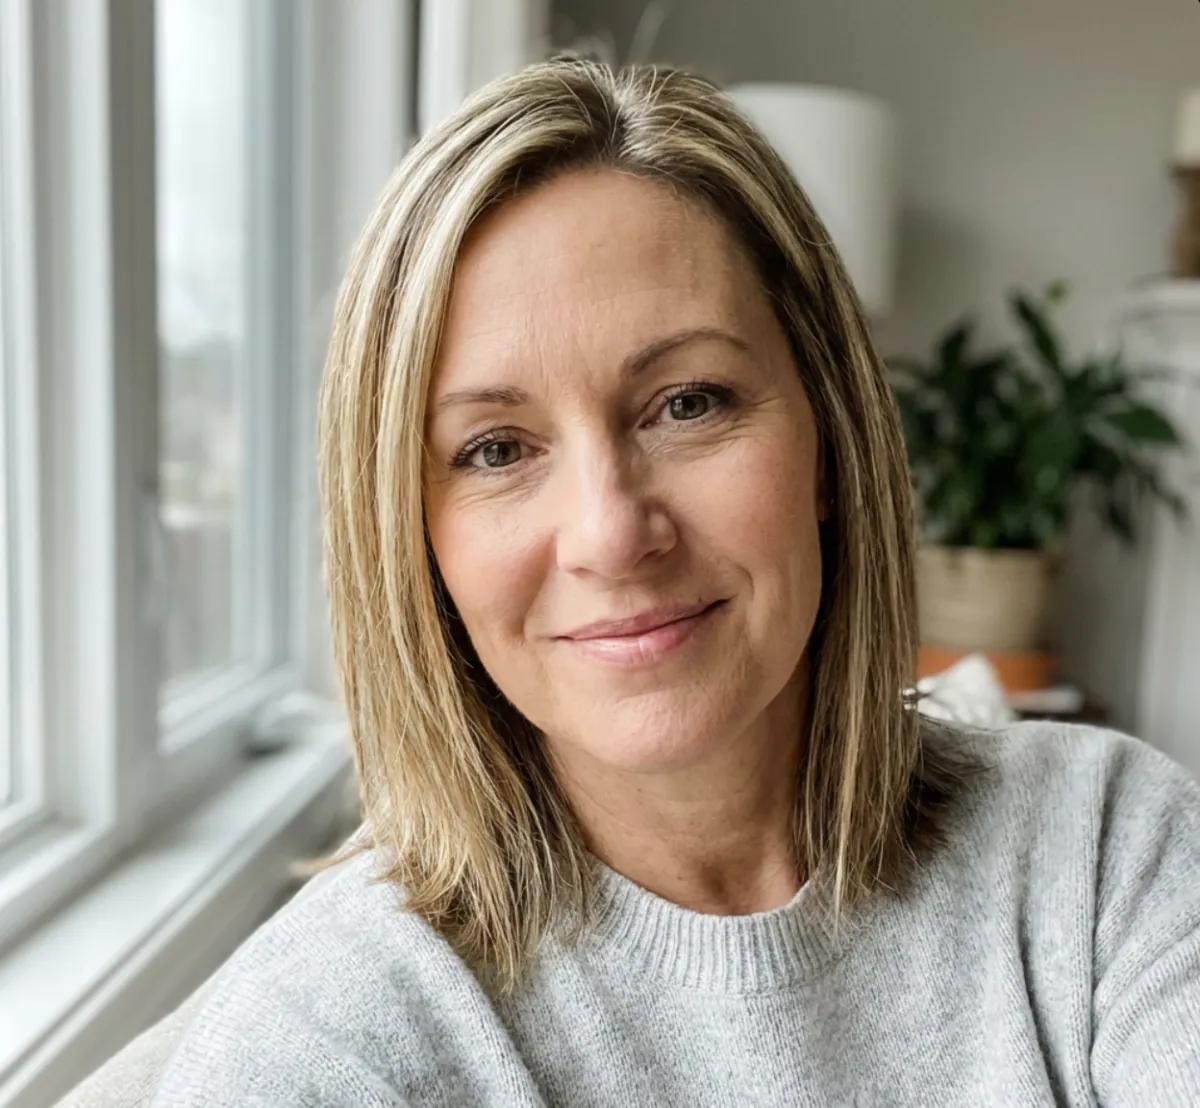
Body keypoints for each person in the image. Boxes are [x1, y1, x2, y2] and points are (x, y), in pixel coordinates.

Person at [151, 59, 1200, 1106]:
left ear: (829, 439)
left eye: (689, 402)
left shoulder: (1105, 849)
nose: (611, 535)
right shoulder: (323, 1038)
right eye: (496, 449)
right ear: (412, 542)